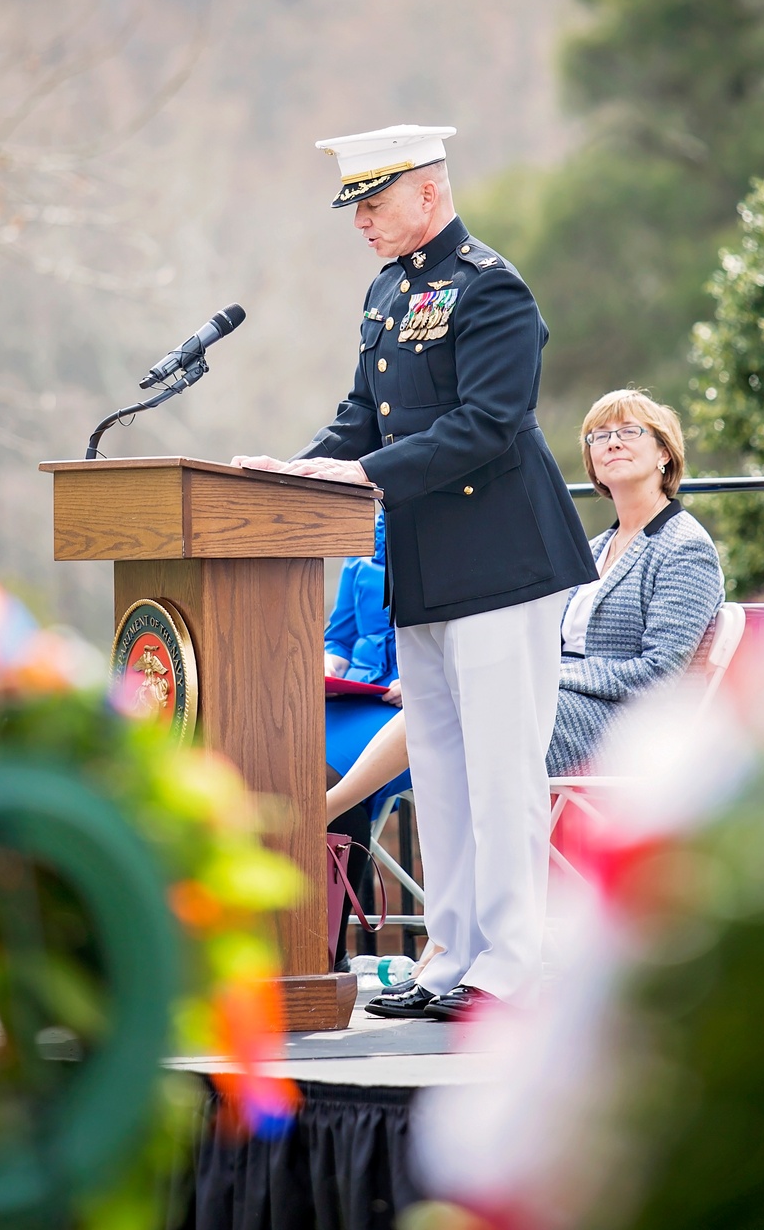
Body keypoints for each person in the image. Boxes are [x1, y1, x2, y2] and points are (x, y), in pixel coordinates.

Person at [234, 123, 597, 1020]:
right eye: (354, 202)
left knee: (502, 770)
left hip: (504, 559)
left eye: (374, 199)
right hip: (427, 564)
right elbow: (365, 414)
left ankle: (509, 966)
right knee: (439, 769)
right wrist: (299, 467)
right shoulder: (389, 291)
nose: (360, 218)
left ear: (429, 193)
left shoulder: (491, 288)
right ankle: (448, 958)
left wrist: (360, 474)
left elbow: (489, 422)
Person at [322, 390, 725, 814]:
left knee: (473, 705)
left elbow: (657, 675)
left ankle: (330, 809)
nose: (612, 442)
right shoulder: (592, 548)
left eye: (629, 431)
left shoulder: (684, 547)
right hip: (556, 705)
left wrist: (542, 677)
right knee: (444, 695)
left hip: (620, 727)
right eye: (598, 436)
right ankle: (334, 809)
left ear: (664, 452)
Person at [324, 509, 409, 971]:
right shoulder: (360, 547)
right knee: (286, 757)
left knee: (332, 780)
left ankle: (326, 947)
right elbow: (338, 636)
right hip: (352, 696)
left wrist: (417, 679)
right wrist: (329, 663)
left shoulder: (444, 542)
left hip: (410, 708)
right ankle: (307, 945)